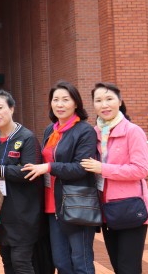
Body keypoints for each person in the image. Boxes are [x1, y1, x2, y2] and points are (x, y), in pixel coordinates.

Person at [22, 81, 97, 274]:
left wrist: (49, 167)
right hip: (53, 205)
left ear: (76, 103)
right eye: (55, 100)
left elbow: (81, 168)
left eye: (65, 100)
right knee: (61, 262)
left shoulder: (85, 131)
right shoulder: (51, 130)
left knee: (81, 262)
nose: (60, 104)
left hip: (76, 204)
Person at [81, 82, 148, 274]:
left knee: (128, 268)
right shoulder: (93, 133)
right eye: (98, 100)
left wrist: (102, 168)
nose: (104, 105)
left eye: (109, 99)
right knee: (118, 267)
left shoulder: (133, 131)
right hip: (106, 211)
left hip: (130, 208)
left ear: (120, 101)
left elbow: (140, 170)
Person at [0, 90, 42, 274]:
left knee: (21, 262)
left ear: (11, 109)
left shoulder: (26, 138)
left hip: (23, 213)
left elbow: (30, 171)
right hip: (0, 212)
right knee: (7, 262)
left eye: (0, 108)